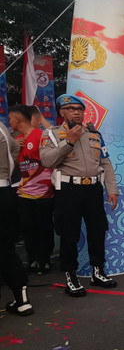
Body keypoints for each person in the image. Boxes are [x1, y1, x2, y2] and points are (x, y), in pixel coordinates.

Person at [40, 94, 119, 296]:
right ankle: (71, 275)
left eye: (80, 108)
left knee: (98, 230)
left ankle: (98, 271)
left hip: (93, 189)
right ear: (61, 112)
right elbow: (47, 161)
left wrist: (112, 189)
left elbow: (105, 164)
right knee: (69, 234)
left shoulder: (94, 134)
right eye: (71, 108)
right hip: (68, 190)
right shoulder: (51, 134)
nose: (76, 111)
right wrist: (69, 142)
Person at [8, 105, 55, 274]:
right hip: (23, 192)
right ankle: (33, 258)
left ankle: (45, 259)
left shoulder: (41, 136)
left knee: (44, 227)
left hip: (43, 192)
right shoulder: (16, 139)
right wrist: (14, 146)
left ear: (18, 119)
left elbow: (51, 160)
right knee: (28, 228)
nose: (9, 122)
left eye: (11, 119)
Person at [0, 119, 34, 315]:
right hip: (5, 190)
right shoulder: (3, 127)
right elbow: (14, 150)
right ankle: (22, 300)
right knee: (6, 247)